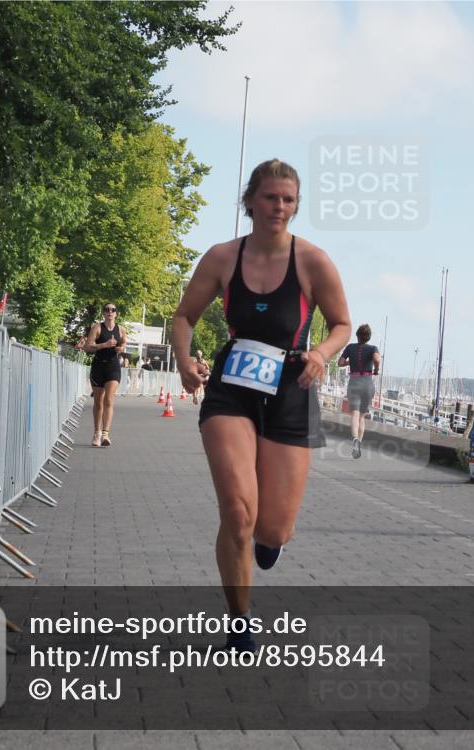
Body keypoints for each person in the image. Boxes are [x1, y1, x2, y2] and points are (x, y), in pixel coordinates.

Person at [170, 159, 351, 651]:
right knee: (237, 511)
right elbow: (184, 316)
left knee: (273, 527)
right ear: (250, 201)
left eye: (289, 199)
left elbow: (341, 325)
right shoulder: (223, 258)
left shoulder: (313, 260)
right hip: (232, 385)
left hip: (292, 386)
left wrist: (320, 353)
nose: (279, 207)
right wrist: (186, 363)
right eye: (270, 197)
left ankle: (270, 543)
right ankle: (240, 619)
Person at [86, 304, 126, 447]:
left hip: (113, 367)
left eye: (113, 310)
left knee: (109, 399)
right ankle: (96, 433)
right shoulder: (97, 328)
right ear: (103, 313)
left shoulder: (120, 329)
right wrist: (104, 345)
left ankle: (105, 434)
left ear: (116, 314)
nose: (110, 312)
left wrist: (121, 347)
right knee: (98, 401)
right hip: (98, 366)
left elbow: (124, 342)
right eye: (107, 310)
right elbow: (88, 347)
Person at [338, 324, 380, 459]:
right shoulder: (373, 348)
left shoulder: (350, 347)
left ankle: (355, 439)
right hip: (367, 383)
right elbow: (377, 359)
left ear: (357, 335)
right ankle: (359, 442)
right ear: (368, 337)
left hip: (354, 383)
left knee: (355, 415)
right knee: (362, 416)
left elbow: (340, 362)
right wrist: (376, 369)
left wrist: (351, 362)